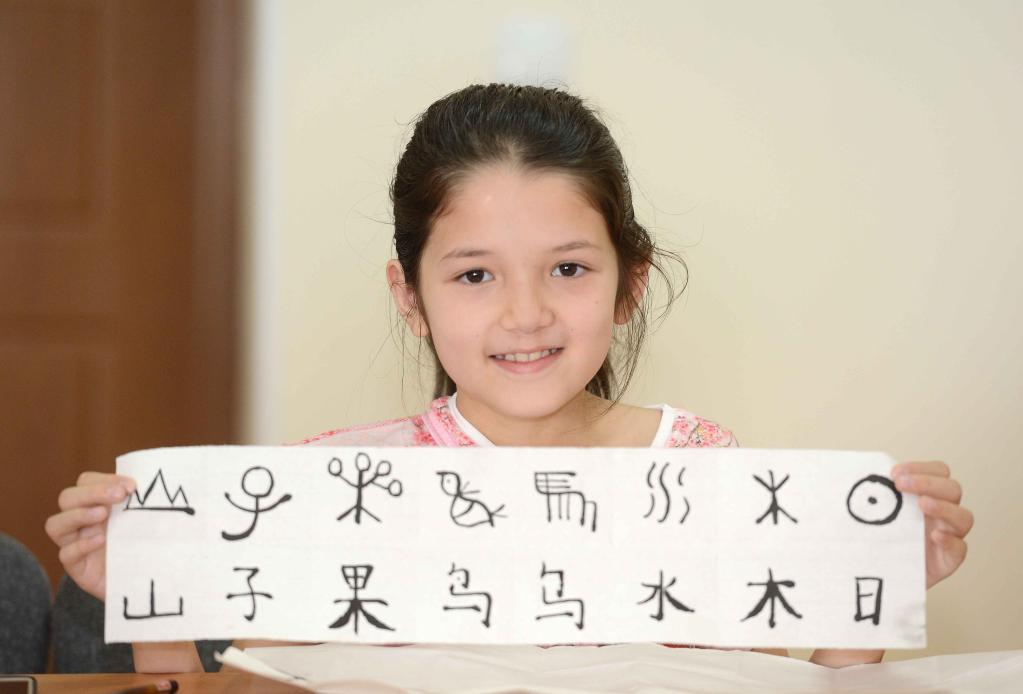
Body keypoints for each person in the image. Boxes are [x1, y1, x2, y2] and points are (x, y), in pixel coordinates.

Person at [44, 84, 974, 673]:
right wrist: (148, 591)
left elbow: (775, 683)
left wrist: (876, 576)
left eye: (567, 268)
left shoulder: (702, 467)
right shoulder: (332, 486)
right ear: (410, 296)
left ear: (628, 283)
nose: (524, 314)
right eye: (474, 275)